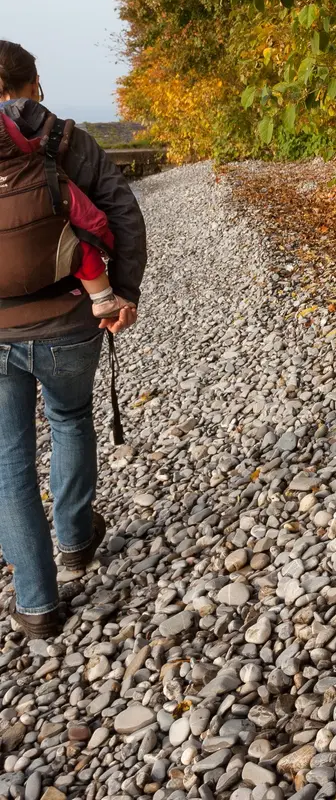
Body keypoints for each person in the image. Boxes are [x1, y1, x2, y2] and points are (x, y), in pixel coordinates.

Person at [0, 41, 147, 638]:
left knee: (8, 461)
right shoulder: (64, 141)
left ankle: (36, 604)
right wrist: (123, 292)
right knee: (70, 419)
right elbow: (123, 212)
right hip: (71, 315)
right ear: (35, 84)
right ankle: (77, 542)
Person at [0, 110, 123, 318]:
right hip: (53, 271)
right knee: (82, 245)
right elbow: (94, 221)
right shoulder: (46, 175)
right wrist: (107, 244)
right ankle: (103, 300)